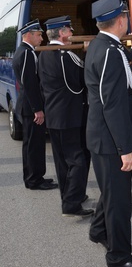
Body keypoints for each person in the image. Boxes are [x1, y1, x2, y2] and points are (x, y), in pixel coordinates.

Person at [85, 0, 132, 267]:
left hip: (101, 136)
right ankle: (119, 257)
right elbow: (113, 103)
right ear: (121, 19)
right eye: (126, 16)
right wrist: (126, 148)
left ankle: (99, 229)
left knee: (110, 192)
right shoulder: (110, 51)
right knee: (119, 201)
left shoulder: (103, 46)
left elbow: (122, 73)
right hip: (111, 140)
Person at [38, 16, 93, 218]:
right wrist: (88, 53)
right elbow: (84, 78)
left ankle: (70, 196)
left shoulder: (43, 53)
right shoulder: (65, 55)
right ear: (61, 33)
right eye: (69, 29)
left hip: (54, 115)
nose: (72, 32)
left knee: (62, 161)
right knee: (78, 159)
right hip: (69, 114)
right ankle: (71, 203)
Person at [12, 19, 58, 190]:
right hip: (30, 108)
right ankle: (34, 180)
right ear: (28, 35)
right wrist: (37, 109)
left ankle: (36, 177)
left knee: (33, 144)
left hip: (28, 106)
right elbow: (29, 83)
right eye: (38, 35)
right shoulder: (26, 53)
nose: (41, 38)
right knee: (33, 146)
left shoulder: (24, 51)